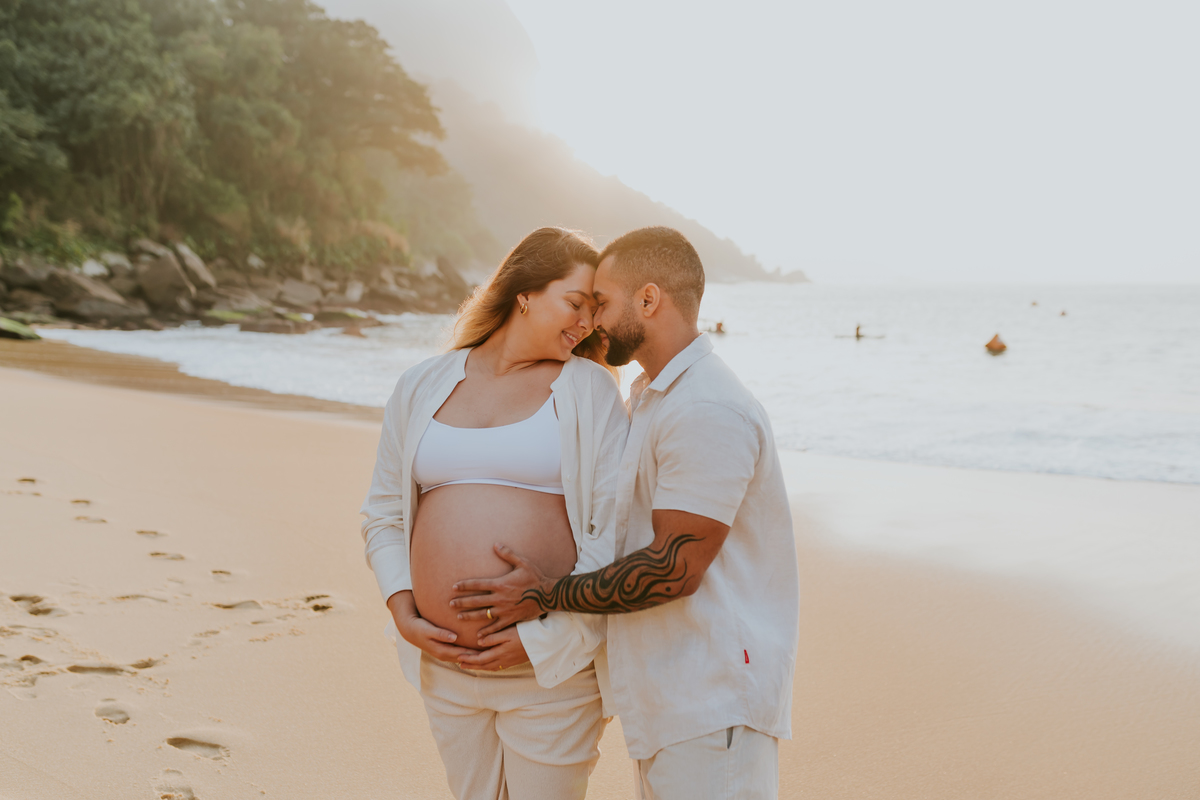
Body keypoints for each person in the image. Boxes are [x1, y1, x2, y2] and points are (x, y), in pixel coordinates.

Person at [451, 226, 801, 800]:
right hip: (671, 700)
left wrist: (547, 594)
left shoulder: (706, 407)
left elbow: (673, 569)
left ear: (648, 299)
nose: (594, 323)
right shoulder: (651, 397)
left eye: (604, 303)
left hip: (711, 703)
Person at [359, 227, 629, 800]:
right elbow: (383, 513)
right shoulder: (422, 384)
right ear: (525, 292)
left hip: (549, 671)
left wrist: (543, 639)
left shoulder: (589, 391)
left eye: (593, 313)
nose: (585, 324)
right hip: (444, 667)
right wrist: (404, 610)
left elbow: (615, 535)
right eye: (575, 303)